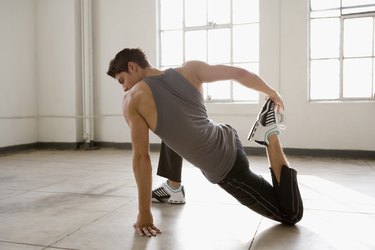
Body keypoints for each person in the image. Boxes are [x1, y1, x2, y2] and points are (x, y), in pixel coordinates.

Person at [107, 48, 303, 237]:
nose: (124, 87)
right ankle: (173, 185)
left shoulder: (132, 99)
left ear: (132, 67)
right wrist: (271, 92)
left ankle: (269, 134)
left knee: (291, 214)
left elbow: (142, 157)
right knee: (174, 129)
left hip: (227, 168)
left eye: (122, 80)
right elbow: (240, 73)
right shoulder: (189, 69)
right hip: (227, 135)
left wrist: (144, 213)